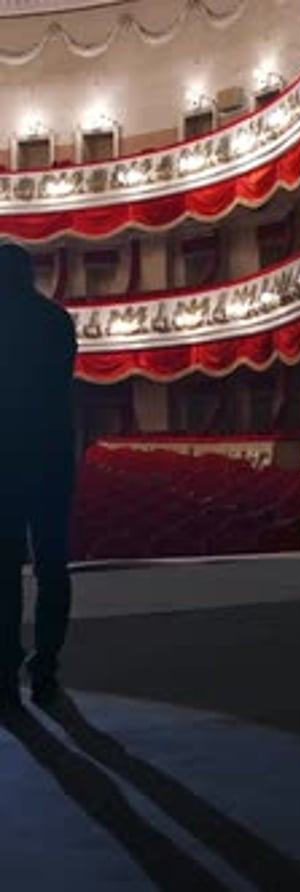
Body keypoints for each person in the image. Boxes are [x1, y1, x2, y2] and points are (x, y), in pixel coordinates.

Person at [0, 243, 76, 708]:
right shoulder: (56, 320)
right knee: (52, 568)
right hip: (51, 458)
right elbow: (61, 385)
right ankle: (45, 669)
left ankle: (4, 670)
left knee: (4, 571)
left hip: (5, 461)